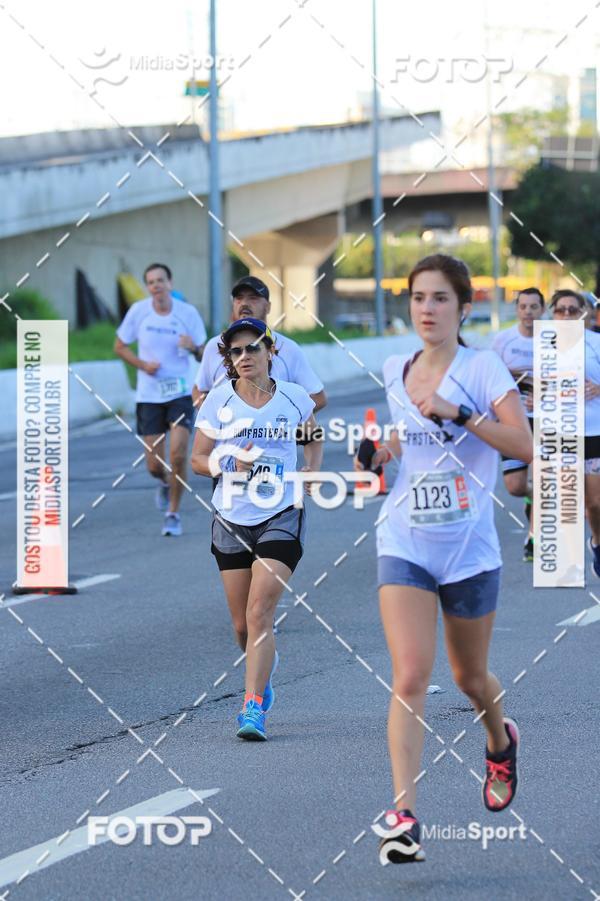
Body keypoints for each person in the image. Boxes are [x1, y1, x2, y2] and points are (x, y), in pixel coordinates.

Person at [357, 254, 533, 864]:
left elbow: (523, 444)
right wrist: (380, 451)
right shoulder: (395, 367)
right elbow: (408, 440)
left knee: (467, 678)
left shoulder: (482, 369)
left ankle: (499, 740)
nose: (426, 309)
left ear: (463, 307)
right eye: (417, 298)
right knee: (410, 675)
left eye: (439, 299)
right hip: (405, 539)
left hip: (469, 549)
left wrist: (461, 413)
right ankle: (404, 815)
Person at [191, 317, 323, 741]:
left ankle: (251, 709)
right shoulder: (218, 401)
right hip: (230, 516)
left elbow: (313, 434)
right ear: (228, 359)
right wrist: (227, 464)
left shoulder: (294, 397)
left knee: (259, 611)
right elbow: (197, 460)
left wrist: (312, 470)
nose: (244, 357)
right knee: (242, 628)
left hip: (281, 511)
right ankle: (261, 671)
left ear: (270, 351)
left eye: (252, 348)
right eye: (235, 351)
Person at [115, 263, 207, 536]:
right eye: (151, 282)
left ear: (170, 282)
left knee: (179, 454)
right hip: (149, 395)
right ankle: (166, 483)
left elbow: (204, 353)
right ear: (148, 287)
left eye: (160, 280)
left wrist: (193, 347)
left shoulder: (187, 313)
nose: (156, 285)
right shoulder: (139, 312)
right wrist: (142, 365)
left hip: (180, 392)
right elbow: (119, 346)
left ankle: (173, 514)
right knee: (154, 465)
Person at [192, 275, 327, 413]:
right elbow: (199, 390)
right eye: (239, 298)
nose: (244, 303)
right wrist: (213, 419)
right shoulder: (215, 345)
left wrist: (281, 419)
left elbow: (318, 397)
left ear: (268, 307)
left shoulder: (288, 348)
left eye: (253, 298)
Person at [491, 288, 545, 562]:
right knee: (515, 485)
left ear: (542, 310)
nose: (528, 312)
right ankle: (531, 498)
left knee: (540, 478)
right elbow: (491, 377)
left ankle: (534, 541)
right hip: (513, 420)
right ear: (517, 309)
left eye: (534, 307)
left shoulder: (552, 341)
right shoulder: (503, 341)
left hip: (546, 420)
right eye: (523, 306)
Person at [550, 290, 600, 577]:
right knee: (568, 499)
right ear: (553, 315)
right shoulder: (544, 348)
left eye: (573, 310)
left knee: (594, 503)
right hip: (560, 433)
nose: (567, 315)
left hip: (595, 432)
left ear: (586, 314)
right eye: (561, 310)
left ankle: (597, 542)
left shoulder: (597, 344)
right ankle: (568, 564)